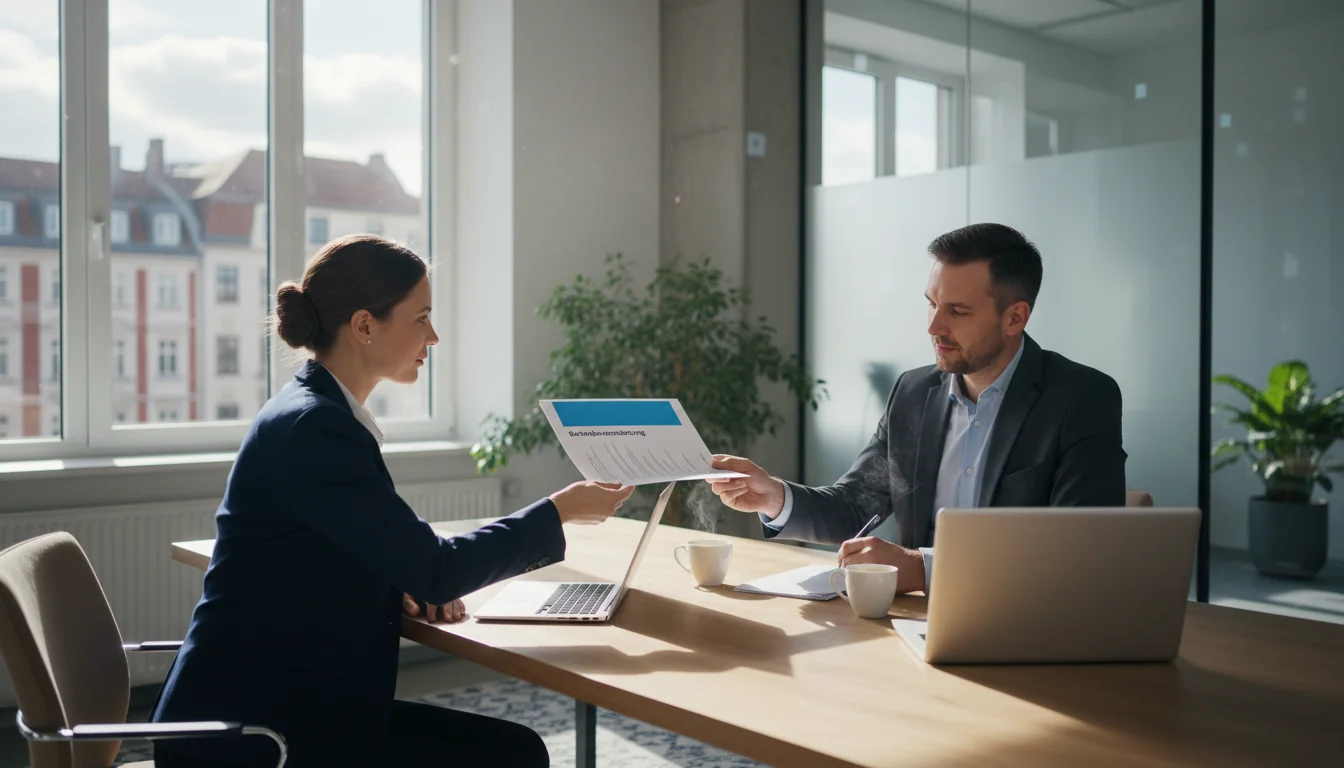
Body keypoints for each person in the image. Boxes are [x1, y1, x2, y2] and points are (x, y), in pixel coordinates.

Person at [152, 235, 633, 767]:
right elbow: (437, 568)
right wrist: (561, 511)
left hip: (272, 707)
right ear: (363, 326)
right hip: (259, 736)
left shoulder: (314, 410)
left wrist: (395, 578)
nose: (434, 335)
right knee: (513, 757)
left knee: (515, 750)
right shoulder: (317, 426)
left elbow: (364, 545)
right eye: (421, 318)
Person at [709, 223, 1125, 594]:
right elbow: (857, 504)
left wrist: (921, 569)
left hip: (1024, 627)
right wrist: (774, 498)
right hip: (913, 624)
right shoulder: (913, 392)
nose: (934, 327)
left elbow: (1078, 551)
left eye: (957, 311)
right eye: (932, 304)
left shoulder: (1080, 398)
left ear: (1015, 317)